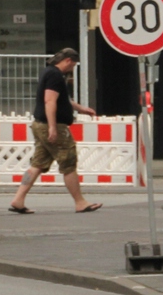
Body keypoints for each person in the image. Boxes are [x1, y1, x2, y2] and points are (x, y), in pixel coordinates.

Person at [9, 48, 103, 214]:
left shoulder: (48, 72)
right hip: (52, 125)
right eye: (73, 65)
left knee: (38, 164)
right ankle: (80, 202)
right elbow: (50, 101)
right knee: (68, 162)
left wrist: (81, 108)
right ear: (67, 60)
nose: (72, 69)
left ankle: (18, 199)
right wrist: (53, 127)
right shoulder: (55, 75)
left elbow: (62, 100)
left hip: (39, 124)